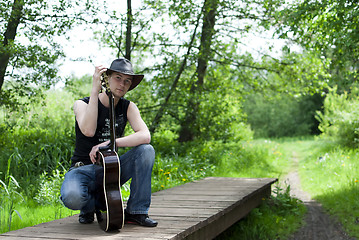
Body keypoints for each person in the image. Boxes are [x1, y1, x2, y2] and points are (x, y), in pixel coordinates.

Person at [60, 58, 158, 227]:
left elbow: (145, 135)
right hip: (82, 169)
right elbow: (88, 131)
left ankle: (136, 211)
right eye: (118, 78)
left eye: (127, 81)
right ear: (107, 79)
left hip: (110, 169)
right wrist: (94, 90)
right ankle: (91, 206)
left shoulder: (128, 107)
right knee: (73, 197)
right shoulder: (81, 104)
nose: (122, 84)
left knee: (146, 150)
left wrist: (111, 143)